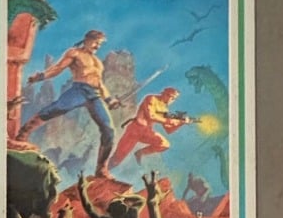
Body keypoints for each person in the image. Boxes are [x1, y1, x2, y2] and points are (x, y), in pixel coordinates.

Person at [15, 30, 119, 179]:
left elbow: (100, 84)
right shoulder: (74, 53)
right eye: (96, 42)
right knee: (55, 108)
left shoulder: (98, 62)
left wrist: (109, 100)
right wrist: (41, 76)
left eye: (100, 44)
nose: (97, 46)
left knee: (109, 129)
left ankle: (101, 168)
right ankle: (24, 132)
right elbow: (57, 68)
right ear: (87, 39)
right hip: (78, 90)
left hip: (94, 95)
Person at [108, 86, 193, 169]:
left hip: (146, 132)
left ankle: (140, 153)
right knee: (117, 158)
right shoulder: (151, 98)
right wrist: (171, 121)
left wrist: (181, 123)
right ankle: (104, 170)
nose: (171, 100)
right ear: (164, 93)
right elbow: (151, 116)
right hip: (135, 130)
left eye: (174, 99)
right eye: (170, 96)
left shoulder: (165, 109)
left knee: (164, 144)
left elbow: (169, 130)